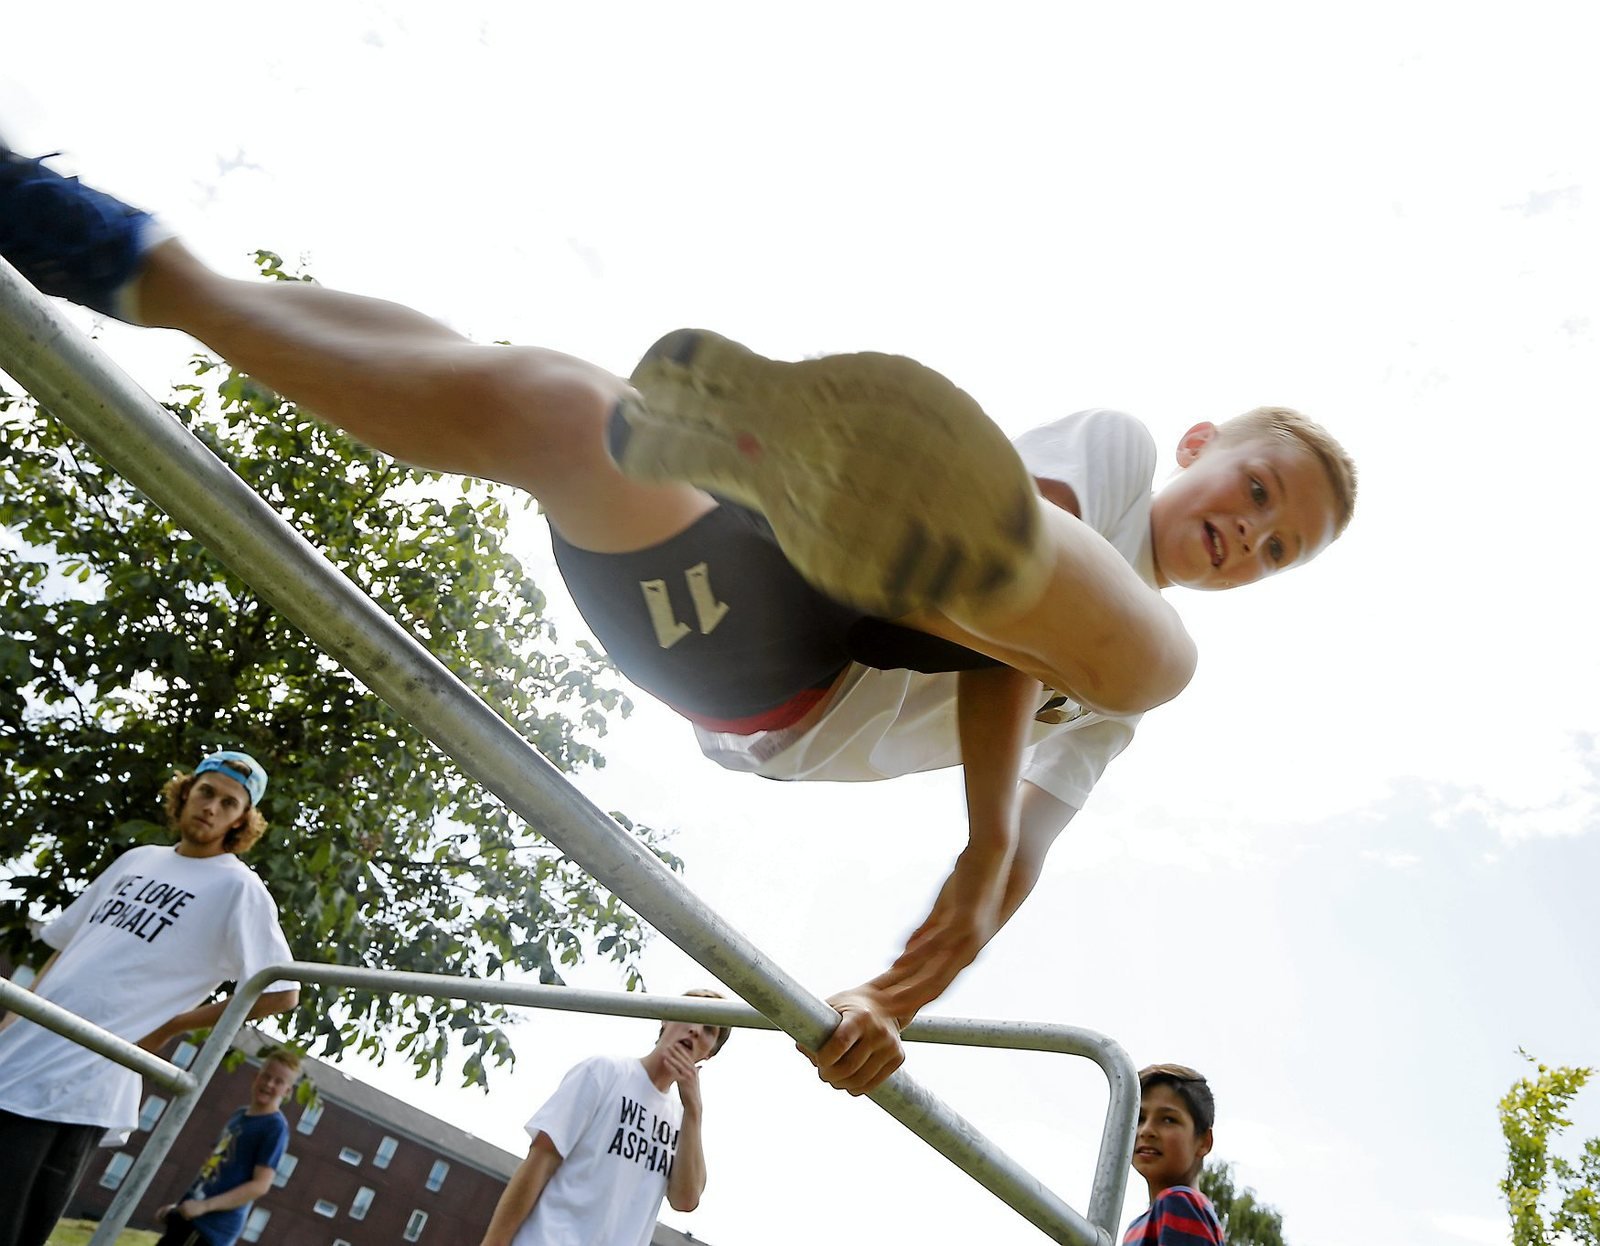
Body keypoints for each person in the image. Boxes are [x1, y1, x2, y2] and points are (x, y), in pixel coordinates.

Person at [0, 146, 1356, 1095]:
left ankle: (772, 461)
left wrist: (899, 990)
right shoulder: (1115, 448)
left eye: (1276, 545)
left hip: (787, 678)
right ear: (1198, 445)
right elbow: (993, 648)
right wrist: (985, 826)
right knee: (553, 406)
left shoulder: (1119, 685)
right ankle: (128, 261)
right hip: (828, 558)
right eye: (1253, 488)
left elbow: (1013, 867)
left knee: (1155, 663)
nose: (1248, 531)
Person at [0, 750, 299, 1246]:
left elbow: (281, 992)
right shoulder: (136, 860)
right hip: (16, 1056)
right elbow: (67, 949)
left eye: (229, 803)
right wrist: (14, 1016)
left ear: (241, 821)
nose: (212, 808)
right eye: (206, 792)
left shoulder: (238, 887)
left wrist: (169, 1027)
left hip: (80, 1083)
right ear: (185, 793)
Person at [478, 989, 730, 1246]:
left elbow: (685, 1200)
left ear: (709, 1053)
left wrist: (694, 1111)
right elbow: (539, 1163)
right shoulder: (604, 1073)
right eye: (691, 1013)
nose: (696, 1029)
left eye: (709, 1029)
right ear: (666, 1018)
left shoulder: (683, 1121)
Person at [152, 1046, 300, 1246]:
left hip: (211, 1230)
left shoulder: (275, 1127)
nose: (269, 1084)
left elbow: (260, 1186)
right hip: (190, 1216)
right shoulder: (239, 1115)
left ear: (287, 1091)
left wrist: (204, 1206)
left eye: (279, 1081)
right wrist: (177, 1209)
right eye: (266, 1076)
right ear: (256, 1076)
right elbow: (214, 1168)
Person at [1123, 1063, 1225, 1245]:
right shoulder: (1136, 1226)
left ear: (1204, 1141)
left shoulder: (1179, 1204)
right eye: (1139, 1119)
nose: (1146, 1130)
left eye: (1168, 1119)